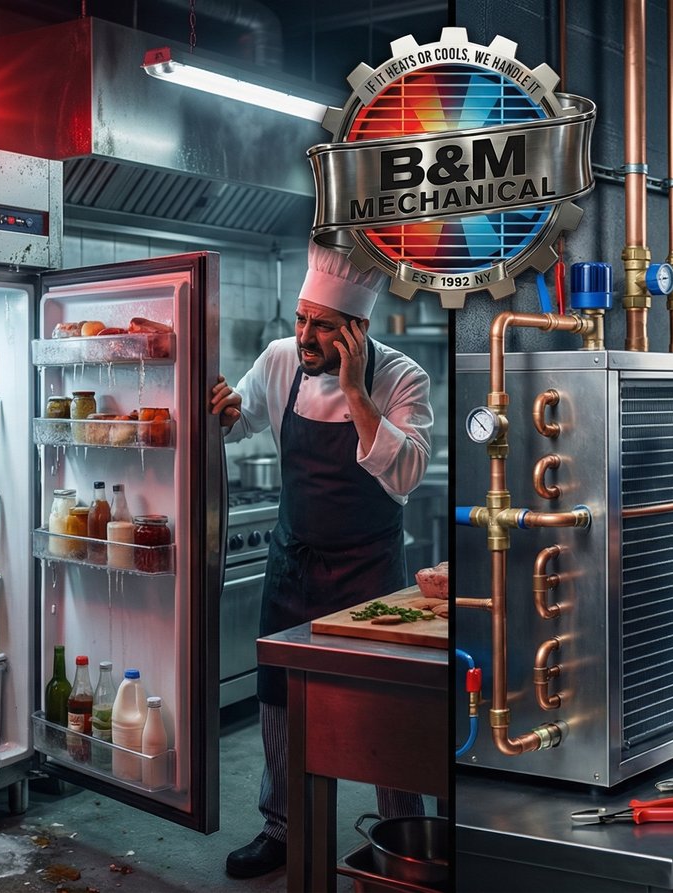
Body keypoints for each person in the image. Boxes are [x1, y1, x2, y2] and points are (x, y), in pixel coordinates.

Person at [207, 241, 434, 879]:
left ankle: (402, 833)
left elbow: (407, 474)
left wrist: (357, 392)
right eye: (302, 319)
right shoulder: (281, 358)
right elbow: (243, 419)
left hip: (370, 576)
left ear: (357, 329)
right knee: (278, 699)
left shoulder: (402, 378)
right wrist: (225, 411)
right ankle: (281, 828)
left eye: (323, 327)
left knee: (385, 707)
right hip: (293, 563)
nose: (305, 336)